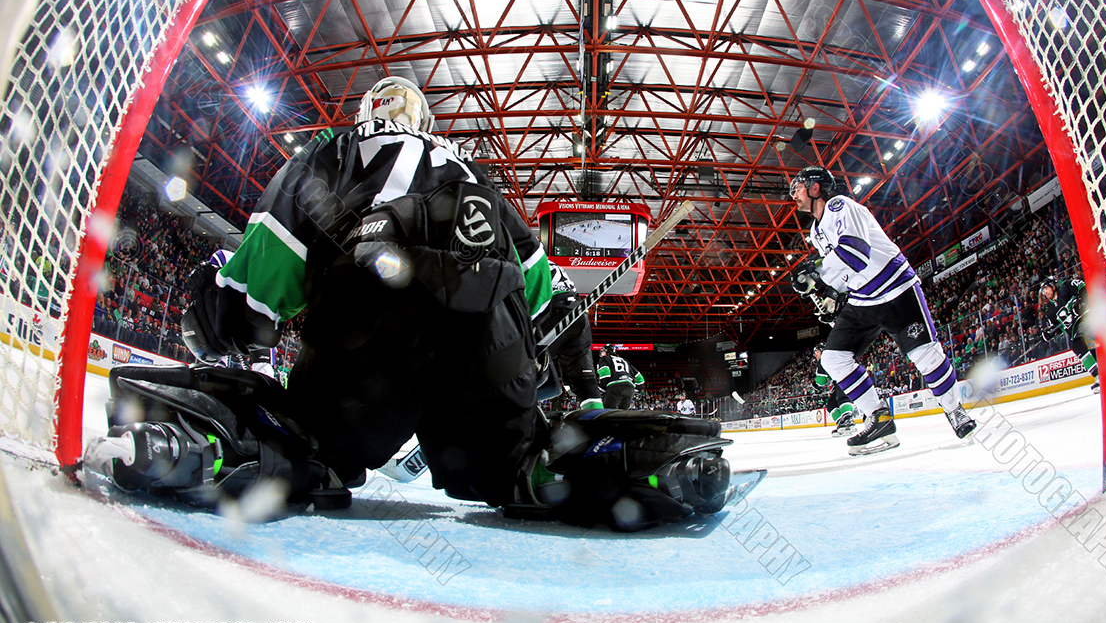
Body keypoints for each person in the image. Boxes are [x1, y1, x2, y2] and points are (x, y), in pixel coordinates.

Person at [91, 76, 733, 531]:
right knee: (519, 467)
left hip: (371, 327)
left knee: (309, 446)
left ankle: (208, 445)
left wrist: (216, 318)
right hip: (486, 340)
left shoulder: (336, 153)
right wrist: (585, 391)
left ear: (367, 110)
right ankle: (638, 467)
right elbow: (554, 307)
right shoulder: (478, 179)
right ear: (427, 123)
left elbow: (256, 294)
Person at [789, 165, 976, 455]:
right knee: (834, 359)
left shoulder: (840, 206)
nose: (794, 194)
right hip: (863, 298)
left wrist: (816, 272)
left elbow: (855, 253)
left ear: (816, 188)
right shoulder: (816, 230)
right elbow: (843, 271)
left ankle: (955, 410)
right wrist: (830, 297)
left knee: (925, 355)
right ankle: (880, 419)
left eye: (798, 186)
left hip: (895, 289)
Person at [534, 264, 602, 403]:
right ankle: (595, 418)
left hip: (551, 312)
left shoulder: (519, 256)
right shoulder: (550, 262)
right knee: (585, 382)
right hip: (577, 313)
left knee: (520, 364)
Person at [1040, 274, 1100, 393]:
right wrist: (1049, 334)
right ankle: (1104, 374)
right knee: (1087, 348)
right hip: (1074, 330)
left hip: (1086, 318)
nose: (1045, 292)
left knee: (1079, 345)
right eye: (1043, 291)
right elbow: (1056, 327)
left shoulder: (1066, 287)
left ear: (1053, 286)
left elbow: (1084, 288)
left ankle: (1099, 376)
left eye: (1046, 288)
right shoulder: (1049, 309)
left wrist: (1082, 302)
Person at [813, 342, 856, 437]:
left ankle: (848, 420)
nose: (815, 355)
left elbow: (821, 381)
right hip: (842, 379)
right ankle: (842, 423)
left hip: (843, 378)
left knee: (843, 399)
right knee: (831, 404)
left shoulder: (824, 358)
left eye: (816, 352)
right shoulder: (832, 355)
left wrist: (816, 386)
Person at [594, 344, 645, 410]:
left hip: (614, 386)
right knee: (623, 413)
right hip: (629, 387)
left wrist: (603, 388)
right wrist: (637, 391)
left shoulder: (604, 359)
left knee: (609, 412)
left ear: (607, 352)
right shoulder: (625, 361)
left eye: (603, 351)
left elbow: (605, 373)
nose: (601, 353)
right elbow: (640, 379)